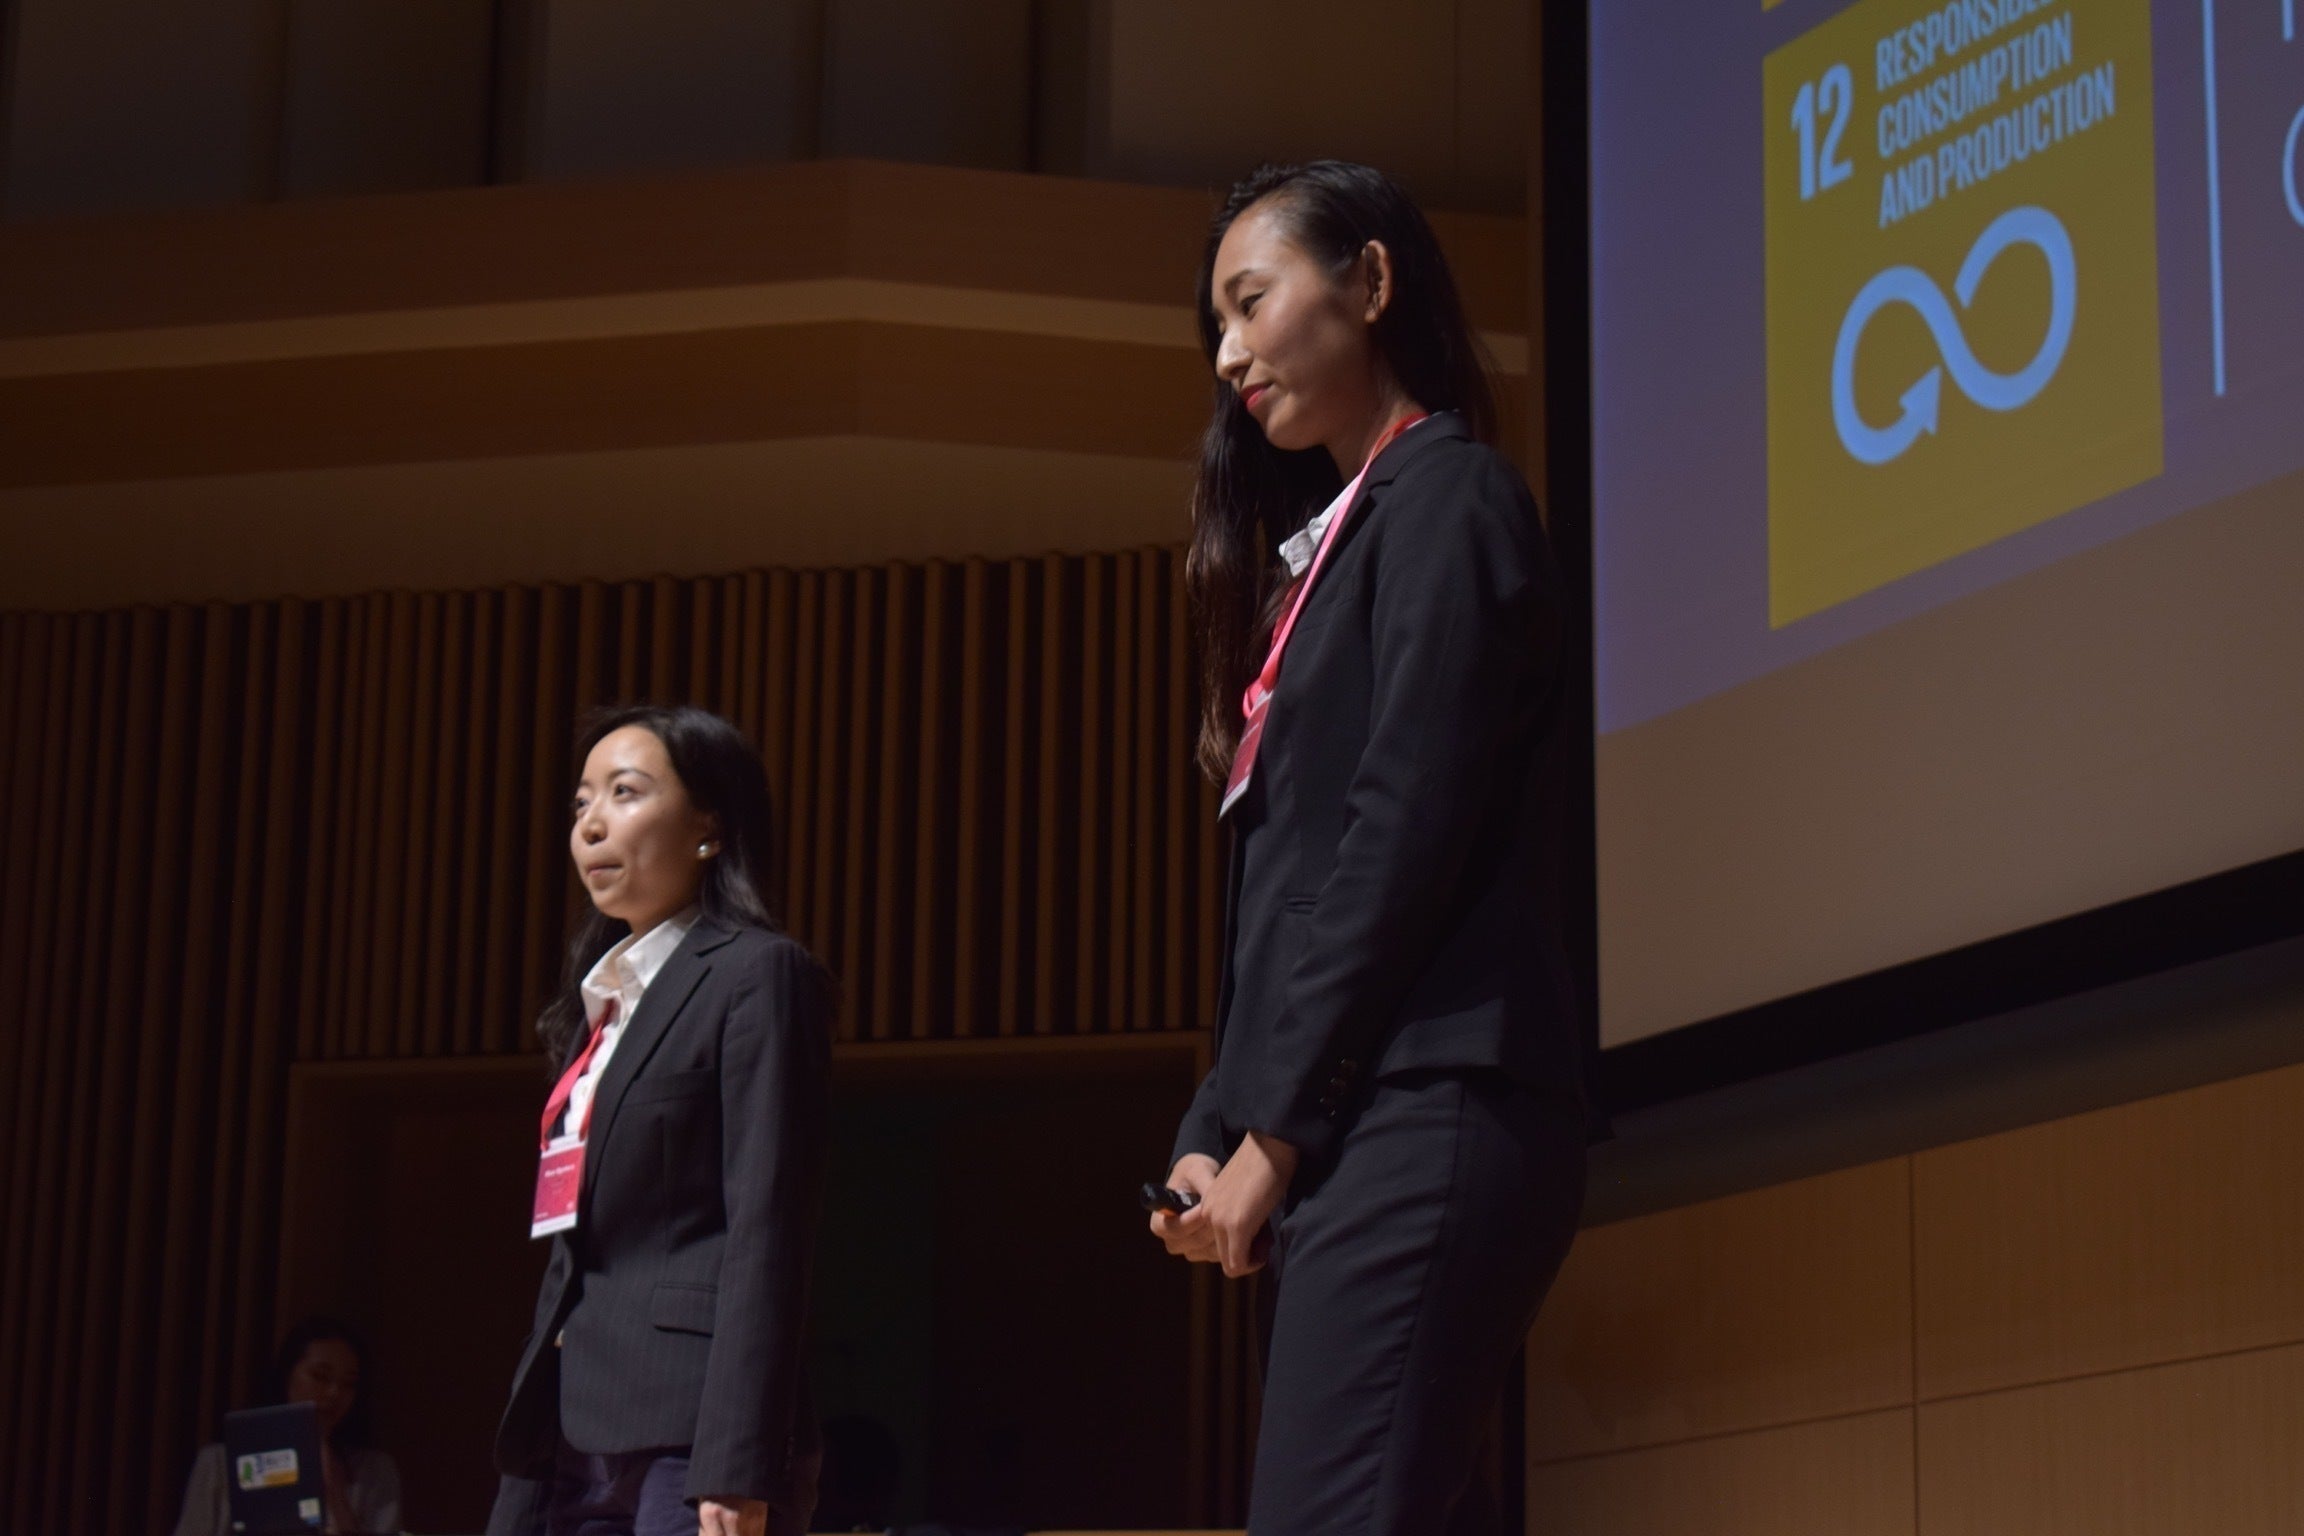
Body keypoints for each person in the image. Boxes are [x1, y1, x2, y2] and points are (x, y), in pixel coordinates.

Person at [1146, 161, 1590, 1535]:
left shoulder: (1450, 499)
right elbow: (1294, 893)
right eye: (1217, 325)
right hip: (1353, 1118)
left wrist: (1278, 1130)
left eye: (1249, 302)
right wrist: (1216, 1131)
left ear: (1373, 283)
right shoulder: (1327, 555)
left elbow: (1405, 836)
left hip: (1427, 1100)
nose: (1227, 355)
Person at [486, 705, 834, 1536]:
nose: (591, 824)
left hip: (691, 1434)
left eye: (625, 792)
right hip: (567, 1425)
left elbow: (767, 1229)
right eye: (581, 802)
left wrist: (737, 1461)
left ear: (709, 825)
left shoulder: (756, 974)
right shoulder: (597, 1009)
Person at [172, 1315, 402, 1536]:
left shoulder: (374, 1471)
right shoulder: (218, 1463)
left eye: (348, 1383)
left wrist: (332, 1490)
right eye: (320, 1376)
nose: (335, 1393)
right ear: (287, 1375)